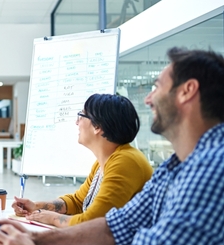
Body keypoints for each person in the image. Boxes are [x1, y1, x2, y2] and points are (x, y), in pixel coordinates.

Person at [0, 47, 224, 245]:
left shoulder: (213, 167)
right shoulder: (175, 167)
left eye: (157, 86)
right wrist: (33, 237)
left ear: (187, 91)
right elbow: (113, 226)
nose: (147, 99)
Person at [13, 94, 152, 227]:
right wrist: (36, 206)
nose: (76, 122)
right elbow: (78, 202)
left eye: (81, 115)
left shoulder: (126, 161)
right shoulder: (105, 161)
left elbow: (92, 221)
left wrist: (51, 218)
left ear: (97, 126)